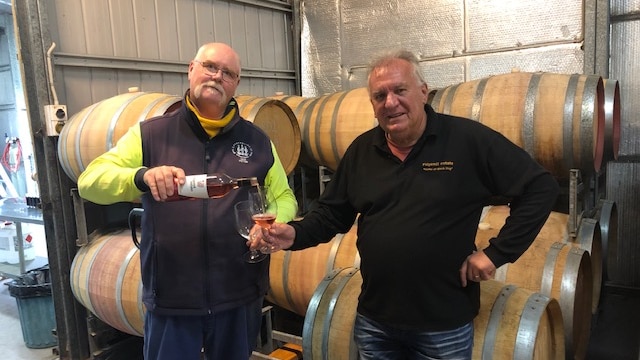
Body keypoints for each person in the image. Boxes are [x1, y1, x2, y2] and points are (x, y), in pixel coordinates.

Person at [251, 49, 559, 359]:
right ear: (372, 105)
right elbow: (333, 213)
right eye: (379, 95)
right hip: (376, 322)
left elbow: (539, 187)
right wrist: (295, 233)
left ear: (423, 92)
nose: (390, 102)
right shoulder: (362, 150)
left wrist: (496, 253)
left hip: (443, 323)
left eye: (400, 90)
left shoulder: (466, 140)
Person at [78, 42, 298, 360]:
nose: (217, 76)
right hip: (172, 298)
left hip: (238, 294)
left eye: (228, 73)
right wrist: (141, 177)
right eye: (210, 66)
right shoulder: (151, 135)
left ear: (236, 83)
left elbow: (284, 196)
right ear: (191, 69)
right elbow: (89, 183)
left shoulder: (257, 141)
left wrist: (273, 221)